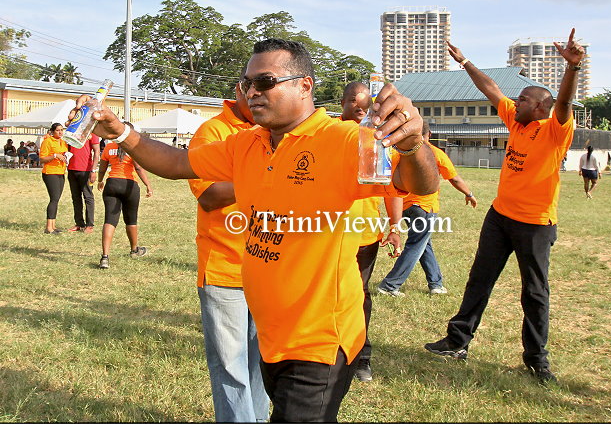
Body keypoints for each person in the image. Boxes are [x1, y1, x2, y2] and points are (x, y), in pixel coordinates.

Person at [69, 38, 439, 422]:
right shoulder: (247, 143)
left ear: (304, 86)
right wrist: (120, 131)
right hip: (272, 336)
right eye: (247, 83)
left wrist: (413, 145)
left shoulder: (341, 139)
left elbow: (419, 183)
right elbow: (177, 163)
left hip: (320, 341)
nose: (252, 92)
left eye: (265, 82)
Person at [424, 29, 584, 385]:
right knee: (479, 279)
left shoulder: (555, 130)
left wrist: (572, 68)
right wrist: (465, 61)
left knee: (535, 292)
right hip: (500, 217)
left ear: (539, 107)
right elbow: (492, 89)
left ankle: (536, 359)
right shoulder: (517, 120)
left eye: (523, 99)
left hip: (535, 224)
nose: (516, 101)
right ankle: (457, 341)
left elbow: (564, 103)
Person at [187, 80, 269, 422]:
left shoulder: (271, 130)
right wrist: (267, 176)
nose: (262, 97)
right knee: (230, 365)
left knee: (263, 360)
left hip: (269, 264)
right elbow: (208, 195)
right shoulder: (213, 132)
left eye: (269, 88)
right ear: (240, 90)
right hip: (225, 266)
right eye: (255, 89)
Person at [339, 81, 403, 383]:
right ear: (342, 102)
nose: (361, 105)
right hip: (325, 232)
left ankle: (361, 356)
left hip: (364, 234)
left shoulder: (378, 137)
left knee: (360, 294)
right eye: (354, 99)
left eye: (366, 101)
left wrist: (395, 226)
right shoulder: (327, 133)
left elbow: (393, 187)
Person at [378, 123, 478, 297]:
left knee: (424, 244)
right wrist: (469, 193)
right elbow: (454, 178)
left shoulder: (401, 151)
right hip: (425, 207)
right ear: (429, 134)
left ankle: (436, 283)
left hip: (405, 206)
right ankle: (390, 285)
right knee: (416, 245)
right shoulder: (434, 152)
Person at [96, 123, 153, 269]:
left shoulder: (109, 147)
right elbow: (138, 168)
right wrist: (148, 185)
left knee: (110, 220)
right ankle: (134, 250)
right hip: (129, 185)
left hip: (112, 184)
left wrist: (100, 180)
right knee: (131, 219)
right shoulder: (133, 149)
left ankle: (105, 257)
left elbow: (102, 167)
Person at [67, 133, 101, 233]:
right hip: (72, 169)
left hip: (86, 170)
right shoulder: (73, 131)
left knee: (88, 197)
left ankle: (89, 225)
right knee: (75, 198)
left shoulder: (92, 133)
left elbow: (97, 151)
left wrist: (93, 170)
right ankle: (79, 223)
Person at [39, 123, 68, 234]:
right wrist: (55, 156)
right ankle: (48, 228)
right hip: (50, 172)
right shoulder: (47, 141)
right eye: (57, 130)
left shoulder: (63, 141)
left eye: (61, 130)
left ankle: (53, 226)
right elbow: (42, 159)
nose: (60, 132)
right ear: (52, 131)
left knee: (56, 199)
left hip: (61, 172)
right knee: (54, 199)